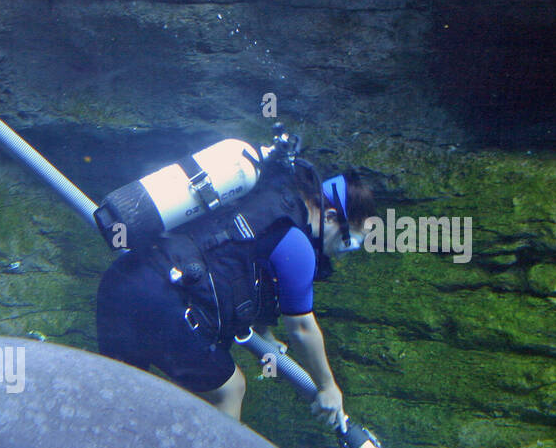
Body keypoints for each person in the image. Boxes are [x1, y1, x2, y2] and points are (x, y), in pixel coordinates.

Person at [95, 165, 374, 425]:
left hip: (121, 282)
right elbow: (301, 328)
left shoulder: (263, 197)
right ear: (329, 216)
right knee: (230, 390)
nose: (340, 253)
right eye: (347, 243)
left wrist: (265, 337)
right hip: (162, 305)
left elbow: (235, 263)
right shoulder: (297, 244)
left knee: (119, 401)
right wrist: (328, 387)